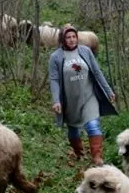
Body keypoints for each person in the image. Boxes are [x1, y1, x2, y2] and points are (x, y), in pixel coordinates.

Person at [48, 24, 116, 166]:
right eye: (68, 37)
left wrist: (108, 91)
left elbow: (97, 72)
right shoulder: (56, 57)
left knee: (93, 126)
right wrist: (56, 101)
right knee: (74, 130)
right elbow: (54, 80)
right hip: (70, 100)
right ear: (63, 39)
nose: (72, 40)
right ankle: (79, 153)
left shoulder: (85, 51)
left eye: (74, 36)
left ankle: (97, 157)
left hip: (89, 96)